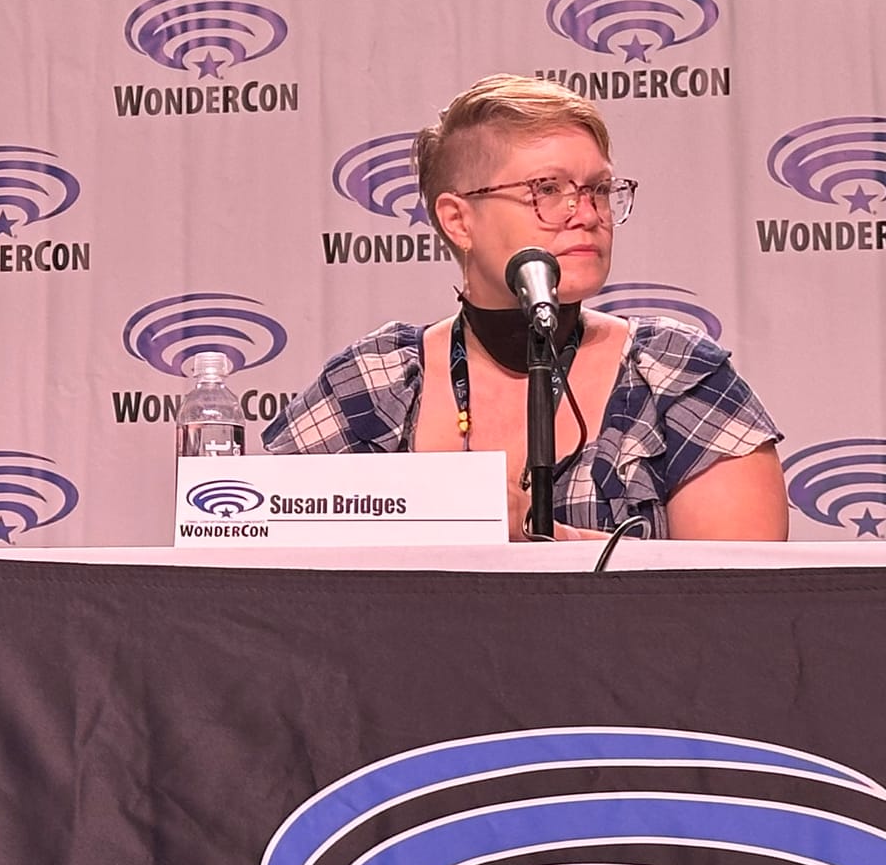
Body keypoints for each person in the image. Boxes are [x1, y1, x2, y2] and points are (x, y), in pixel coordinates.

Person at [263, 74, 787, 541]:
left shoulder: (674, 372)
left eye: (599, 189)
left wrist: (545, 541)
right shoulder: (376, 381)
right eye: (547, 189)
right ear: (458, 221)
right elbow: (254, 565)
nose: (584, 214)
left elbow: (735, 605)